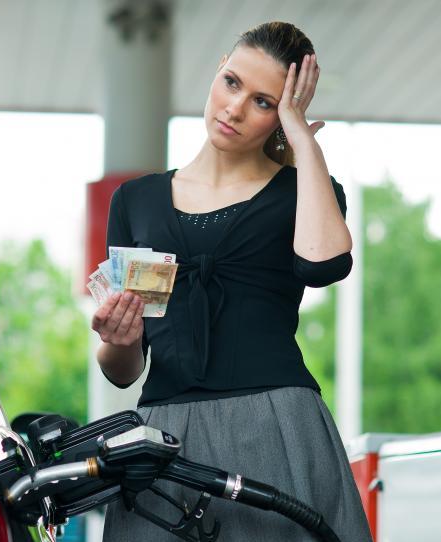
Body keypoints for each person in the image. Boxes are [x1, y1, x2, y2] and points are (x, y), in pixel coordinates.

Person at [91, 21, 373, 542]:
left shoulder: (304, 190)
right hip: (164, 438)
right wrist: (118, 339)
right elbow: (123, 372)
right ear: (219, 68)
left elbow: (324, 265)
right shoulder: (136, 201)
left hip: (278, 428)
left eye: (265, 102)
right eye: (233, 82)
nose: (235, 108)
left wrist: (301, 138)